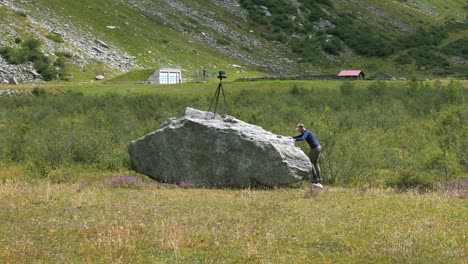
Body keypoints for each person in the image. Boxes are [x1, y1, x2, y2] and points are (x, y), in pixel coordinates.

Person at [291, 124, 323, 188]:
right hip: (318, 147)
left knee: (310, 162)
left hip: (315, 148)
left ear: (301, 128)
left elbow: (302, 138)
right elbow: (299, 136)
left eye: (299, 129)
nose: (298, 131)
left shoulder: (306, 132)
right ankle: (319, 178)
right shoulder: (306, 132)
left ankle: (315, 178)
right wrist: (292, 137)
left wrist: (294, 139)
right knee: (316, 163)